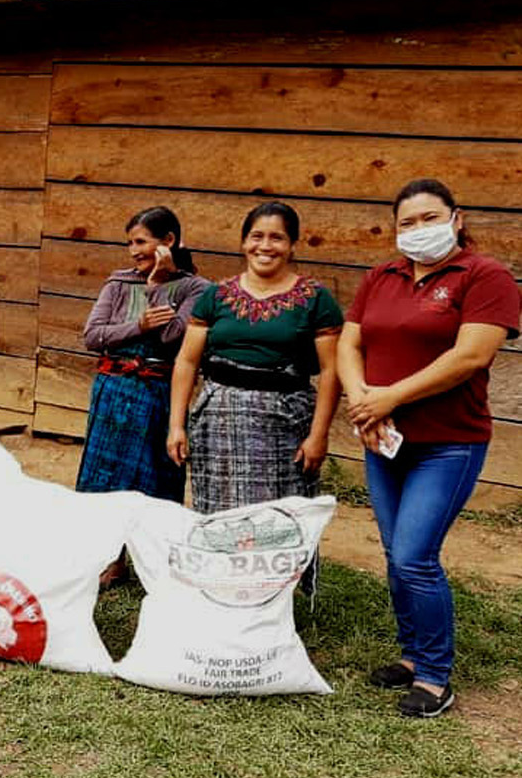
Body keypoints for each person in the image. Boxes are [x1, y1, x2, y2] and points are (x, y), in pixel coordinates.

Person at [337, 179, 519, 718]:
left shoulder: (485, 276)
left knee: (416, 556)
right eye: (407, 223)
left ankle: (437, 676)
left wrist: (388, 397)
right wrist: (362, 400)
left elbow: (470, 357)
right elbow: (351, 341)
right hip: (384, 440)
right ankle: (414, 657)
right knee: (396, 557)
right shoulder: (382, 276)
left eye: (429, 218)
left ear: (456, 218)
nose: (418, 230)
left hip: (449, 443)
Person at [168, 202, 343, 517]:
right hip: (217, 420)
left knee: (281, 516)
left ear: (292, 245)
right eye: (256, 236)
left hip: (286, 422)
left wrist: (318, 435)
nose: (265, 246)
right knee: (220, 513)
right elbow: (187, 362)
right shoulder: (216, 296)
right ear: (244, 242)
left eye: (276, 238)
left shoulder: (316, 299)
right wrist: (176, 426)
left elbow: (332, 371)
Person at [78, 207, 210, 584]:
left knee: (154, 476)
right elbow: (93, 336)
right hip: (114, 390)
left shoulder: (196, 289)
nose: (133, 251)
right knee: (105, 476)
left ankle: (155, 562)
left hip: (159, 393)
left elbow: (173, 338)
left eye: (141, 241)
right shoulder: (118, 284)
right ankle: (108, 558)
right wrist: (136, 325)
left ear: (168, 241)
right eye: (129, 242)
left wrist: (157, 288)